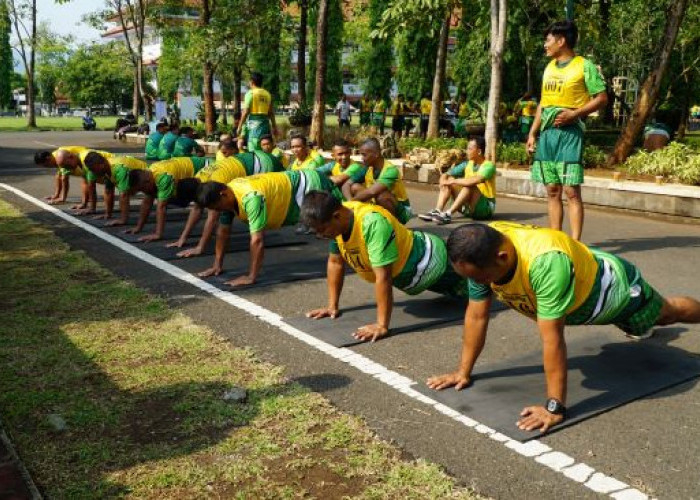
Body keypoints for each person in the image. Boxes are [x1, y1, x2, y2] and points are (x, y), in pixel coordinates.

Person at [427, 222, 700, 433]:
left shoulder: (545, 263)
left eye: (483, 278)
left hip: (610, 293)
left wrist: (554, 407)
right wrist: (462, 372)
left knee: (666, 313)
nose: (482, 284)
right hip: (572, 292)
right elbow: (476, 315)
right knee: (641, 329)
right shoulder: (480, 247)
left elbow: (552, 340)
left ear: (501, 257)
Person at [302, 191, 470, 342]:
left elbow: (383, 276)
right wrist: (332, 306)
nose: (320, 235)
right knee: (465, 291)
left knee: (478, 286)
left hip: (428, 262)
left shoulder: (372, 224)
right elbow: (335, 262)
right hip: (411, 273)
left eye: (322, 230)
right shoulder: (338, 221)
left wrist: (381, 325)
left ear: (336, 216)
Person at [526, 20, 608, 241]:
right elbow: (543, 103)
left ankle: (575, 243)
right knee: (552, 189)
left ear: (561, 41)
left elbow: (601, 98)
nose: (545, 45)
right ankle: (556, 239)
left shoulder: (584, 66)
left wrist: (575, 114)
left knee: (571, 190)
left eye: (548, 40)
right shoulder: (549, 68)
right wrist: (533, 133)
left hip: (570, 134)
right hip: (548, 135)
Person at [193, 169, 344, 287]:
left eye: (217, 206)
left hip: (310, 183)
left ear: (223, 194)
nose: (218, 210)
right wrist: (216, 265)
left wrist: (251, 277)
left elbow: (257, 241)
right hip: (295, 187)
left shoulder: (251, 198)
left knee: (338, 225)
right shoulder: (228, 196)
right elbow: (222, 231)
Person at [166, 150, 285, 257]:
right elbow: (197, 209)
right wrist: (182, 239)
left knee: (262, 201)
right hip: (252, 157)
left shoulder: (215, 183)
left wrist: (200, 247)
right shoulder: (198, 179)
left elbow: (212, 218)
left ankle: (258, 239)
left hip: (264, 163)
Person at [122, 156, 208, 242]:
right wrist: (138, 227)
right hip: (191, 169)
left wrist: (158, 234)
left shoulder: (164, 178)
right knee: (156, 194)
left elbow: (161, 207)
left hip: (205, 167)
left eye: (142, 189)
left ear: (147, 181)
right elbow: (147, 202)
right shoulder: (150, 172)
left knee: (202, 202)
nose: (143, 192)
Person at [418, 136, 496, 225]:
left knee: (468, 186)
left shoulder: (489, 166)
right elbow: (446, 174)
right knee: (449, 179)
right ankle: (437, 210)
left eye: (470, 149)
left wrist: (452, 181)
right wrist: (443, 181)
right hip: (468, 208)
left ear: (479, 151)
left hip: (485, 209)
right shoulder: (467, 164)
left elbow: (473, 181)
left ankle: (448, 214)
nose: (467, 151)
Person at [343, 138, 412, 224]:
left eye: (364, 155)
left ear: (376, 154)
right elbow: (346, 184)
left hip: (402, 211)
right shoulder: (367, 168)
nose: (362, 158)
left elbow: (372, 192)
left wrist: (351, 204)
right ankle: (372, 220)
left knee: (382, 195)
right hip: (376, 201)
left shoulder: (391, 170)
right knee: (354, 187)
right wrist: (350, 202)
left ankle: (393, 226)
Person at [81, 152, 148, 223]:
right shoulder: (106, 168)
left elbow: (124, 195)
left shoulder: (119, 169)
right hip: (136, 179)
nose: (93, 173)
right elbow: (108, 192)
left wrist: (122, 220)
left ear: (101, 165)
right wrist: (107, 214)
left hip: (149, 178)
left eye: (93, 170)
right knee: (108, 190)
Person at [237, 72, 277, 151]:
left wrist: (239, 126)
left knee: (253, 149)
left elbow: (245, 112)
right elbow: (271, 112)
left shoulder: (250, 93)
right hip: (265, 126)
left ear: (252, 82)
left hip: (254, 126)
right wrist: (274, 126)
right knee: (265, 149)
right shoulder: (267, 94)